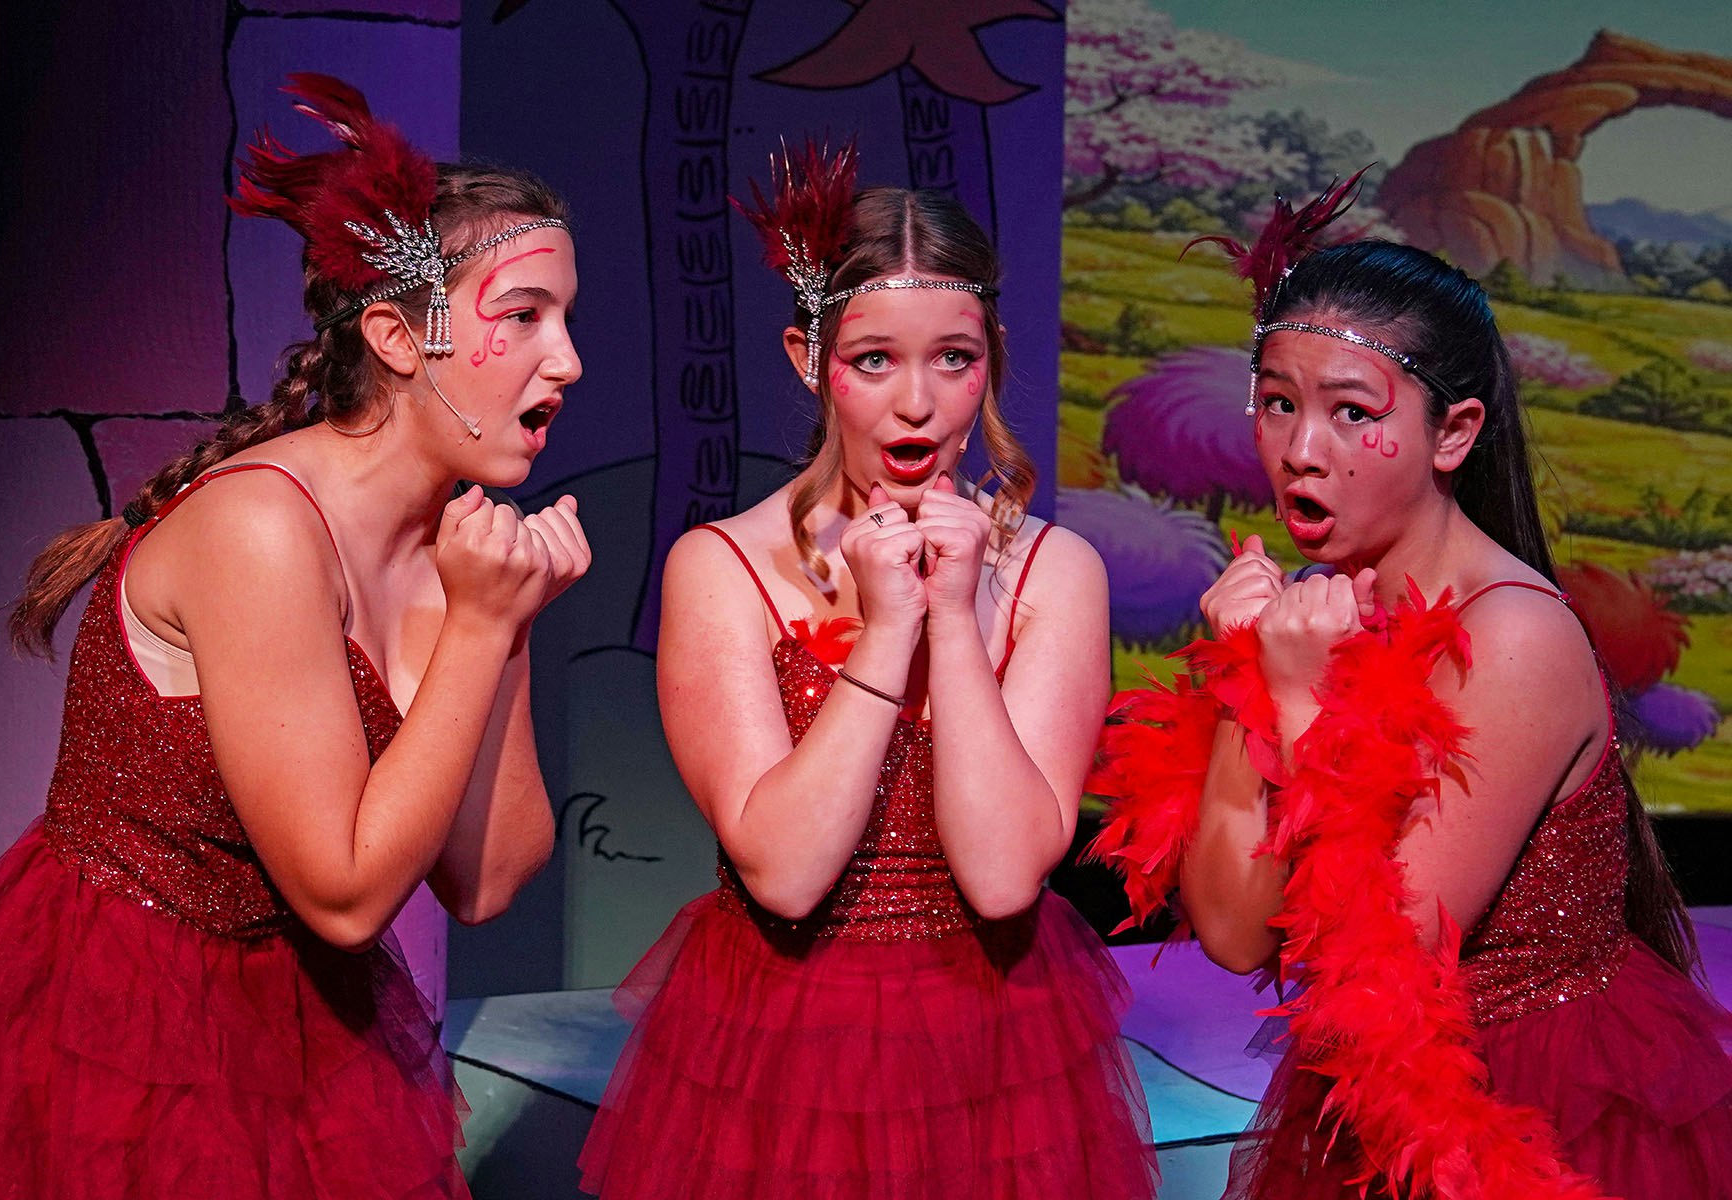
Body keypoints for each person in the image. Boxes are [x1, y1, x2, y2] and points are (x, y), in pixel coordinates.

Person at [0, 74, 588, 1199]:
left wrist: (504, 622)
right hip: (128, 1016)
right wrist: (479, 625)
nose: (568, 361)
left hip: (301, 1008)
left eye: (568, 320)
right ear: (394, 333)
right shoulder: (261, 530)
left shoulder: (443, 544)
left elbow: (487, 879)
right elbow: (342, 890)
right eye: (524, 316)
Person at [1089, 178, 1732, 1199]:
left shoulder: (1512, 636)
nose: (1303, 450)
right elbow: (1235, 932)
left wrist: (1297, 705)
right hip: (1364, 1096)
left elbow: (1382, 953)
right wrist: (1251, 688)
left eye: (1353, 413)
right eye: (1278, 403)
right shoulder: (1314, 613)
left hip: (1522, 1106)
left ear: (1453, 432)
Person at [577, 141, 1157, 1198]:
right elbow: (787, 872)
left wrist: (952, 607)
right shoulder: (721, 569)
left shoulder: (1053, 573)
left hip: (996, 1040)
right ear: (810, 358)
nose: (919, 404)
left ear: (992, 359)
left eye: (955, 358)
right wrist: (886, 634)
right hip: (780, 1040)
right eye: (875, 359)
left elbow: (1001, 873)